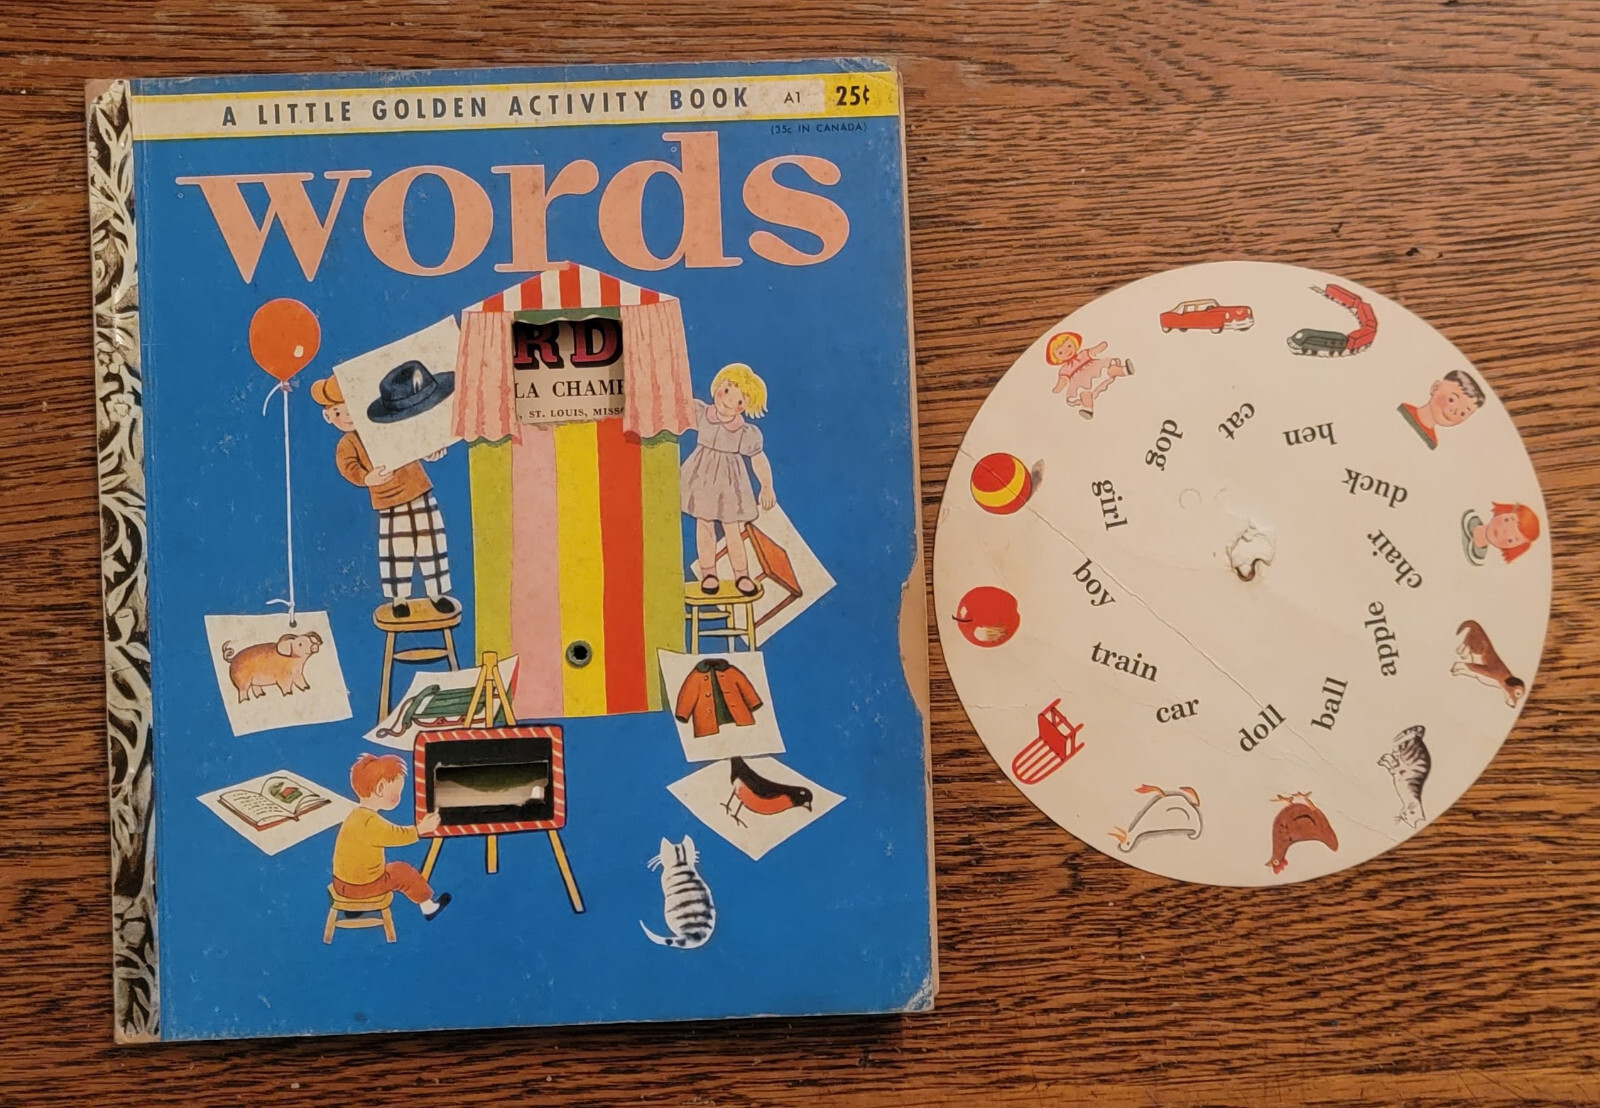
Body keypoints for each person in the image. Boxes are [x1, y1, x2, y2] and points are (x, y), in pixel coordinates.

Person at [311, 376, 456, 619]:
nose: (346, 416)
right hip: (388, 501)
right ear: (328, 417)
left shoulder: (387, 424)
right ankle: (399, 599)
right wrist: (367, 478)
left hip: (419, 490)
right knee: (397, 549)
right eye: (338, 412)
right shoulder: (348, 443)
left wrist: (431, 451)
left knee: (432, 542)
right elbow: (348, 467)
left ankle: (437, 593)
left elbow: (415, 443)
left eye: (350, 408)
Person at [680, 363, 776, 596]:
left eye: (739, 400)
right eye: (726, 390)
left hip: (730, 484)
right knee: (704, 525)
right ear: (717, 386)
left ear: (744, 407)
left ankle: (742, 575)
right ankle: (709, 573)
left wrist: (767, 486)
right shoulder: (701, 412)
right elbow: (676, 406)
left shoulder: (745, 433)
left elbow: (758, 458)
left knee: (732, 528)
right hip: (701, 478)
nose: (729, 401)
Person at [331, 753, 450, 920]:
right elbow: (397, 835)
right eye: (396, 793)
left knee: (383, 869)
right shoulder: (371, 822)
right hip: (362, 887)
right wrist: (421, 829)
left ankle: (355, 908)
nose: (398, 798)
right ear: (380, 789)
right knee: (403, 872)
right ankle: (428, 907)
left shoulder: (355, 816)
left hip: (341, 884)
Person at [1047, 331, 1133, 419]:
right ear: (1057, 359)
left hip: (1095, 369)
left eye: (1069, 346)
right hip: (1081, 382)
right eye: (1061, 353)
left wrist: (1101, 347)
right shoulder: (1065, 368)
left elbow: (1093, 351)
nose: (1067, 351)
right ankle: (1088, 410)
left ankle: (1125, 370)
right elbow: (1063, 379)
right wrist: (1058, 387)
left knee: (1109, 370)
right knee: (1084, 394)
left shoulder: (1082, 354)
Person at [1398, 370, 1484, 449]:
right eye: (1451, 400)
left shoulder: (1432, 442)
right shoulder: (1403, 410)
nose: (1454, 412)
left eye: (1462, 413)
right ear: (1435, 388)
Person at [1462, 502, 1540, 565]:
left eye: (1511, 540)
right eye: (1507, 520)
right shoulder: (1467, 514)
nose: (1503, 531)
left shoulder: (1478, 560)